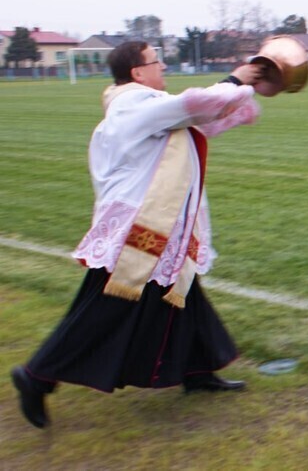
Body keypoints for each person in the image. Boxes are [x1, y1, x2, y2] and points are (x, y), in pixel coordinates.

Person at [11, 41, 282, 429]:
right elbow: (196, 105)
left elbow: (204, 120)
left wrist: (246, 89)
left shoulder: (144, 107)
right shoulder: (134, 105)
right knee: (104, 309)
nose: (164, 66)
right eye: (157, 61)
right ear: (138, 73)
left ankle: (197, 371)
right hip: (139, 230)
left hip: (157, 226)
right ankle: (37, 376)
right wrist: (239, 78)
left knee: (183, 294)